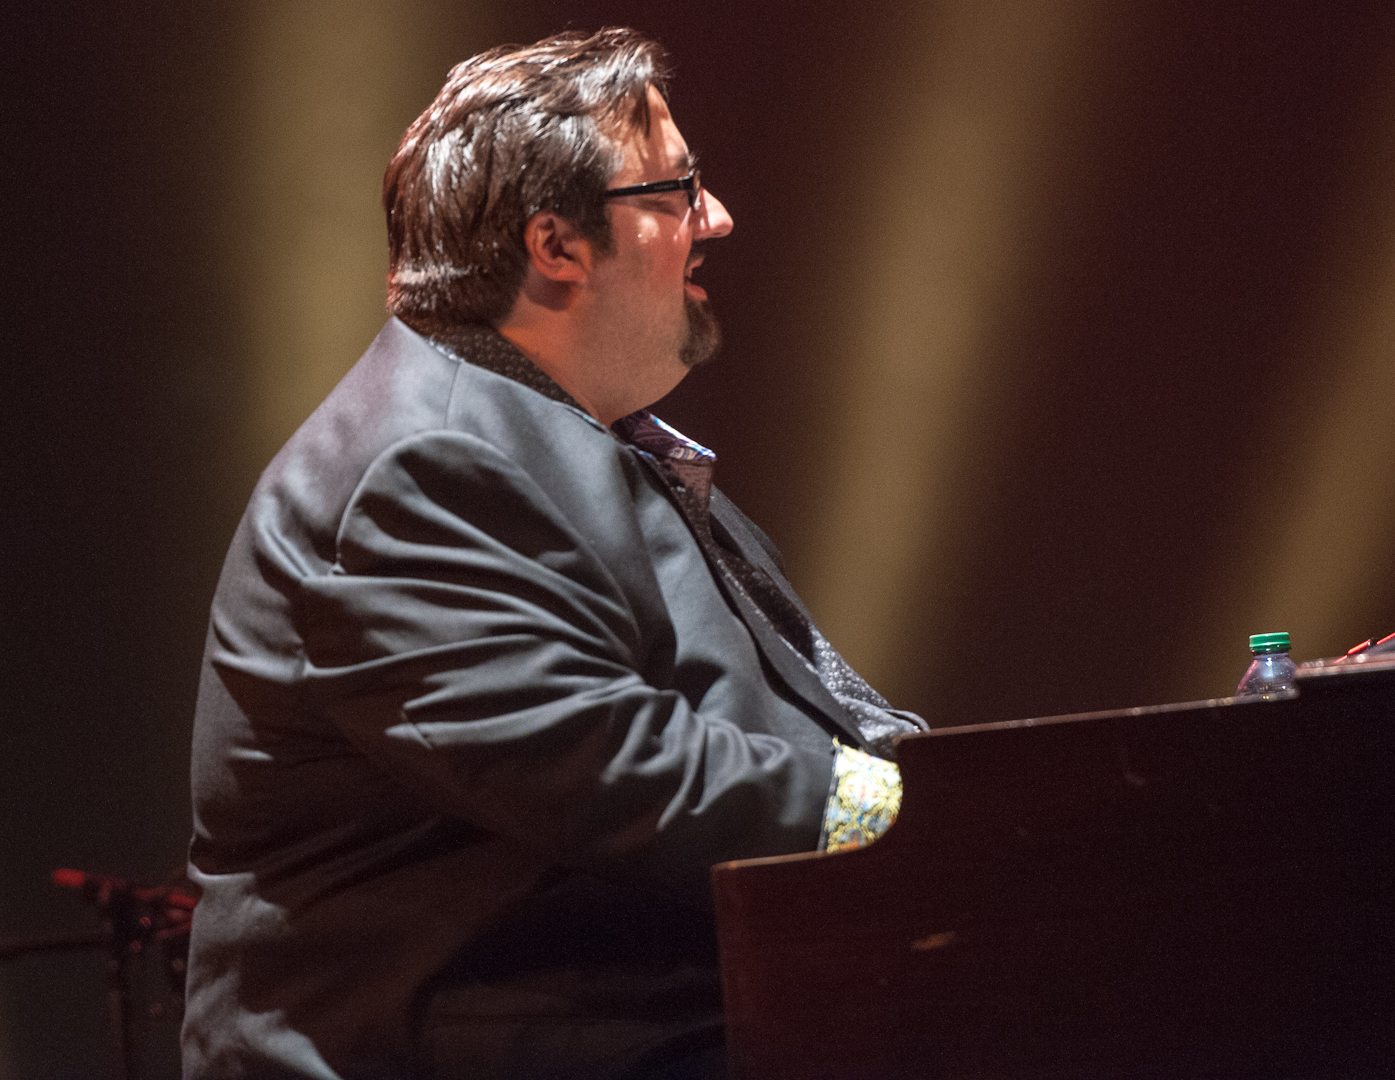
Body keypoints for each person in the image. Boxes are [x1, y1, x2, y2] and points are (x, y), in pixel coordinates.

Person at [182, 28, 923, 1080]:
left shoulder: (563, 439)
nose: (716, 218)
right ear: (557, 246)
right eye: (677, 190)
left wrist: (974, 794)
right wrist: (916, 818)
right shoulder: (419, 464)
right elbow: (619, 770)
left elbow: (781, 712)